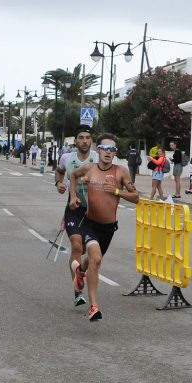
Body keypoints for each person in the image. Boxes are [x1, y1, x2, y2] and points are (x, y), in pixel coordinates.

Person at [69, 133, 139, 321]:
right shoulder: (89, 169)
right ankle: (93, 306)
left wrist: (117, 191)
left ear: (115, 152)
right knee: (97, 260)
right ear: (98, 150)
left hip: (109, 228)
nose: (108, 152)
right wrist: (73, 196)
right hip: (90, 224)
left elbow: (137, 197)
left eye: (112, 149)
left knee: (91, 262)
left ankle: (80, 272)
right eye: (105, 148)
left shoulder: (121, 171)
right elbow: (74, 176)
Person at [54, 124, 98, 306]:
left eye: (88, 138)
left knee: (93, 253)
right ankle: (78, 291)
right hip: (74, 208)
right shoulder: (67, 158)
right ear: (75, 141)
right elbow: (59, 172)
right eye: (81, 138)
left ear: (92, 141)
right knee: (77, 246)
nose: (84, 141)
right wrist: (58, 184)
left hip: (95, 210)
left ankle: (81, 271)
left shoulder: (98, 158)